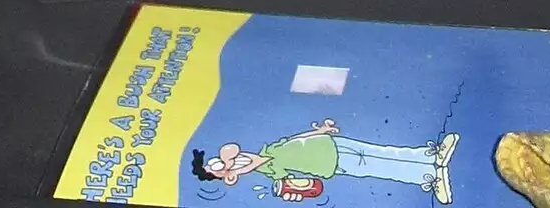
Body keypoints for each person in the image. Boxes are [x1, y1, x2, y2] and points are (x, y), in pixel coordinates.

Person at [193, 123, 460, 203]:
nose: (240, 160)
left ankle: (429, 157)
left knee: (379, 151)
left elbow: (296, 138)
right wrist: (293, 193)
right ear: (231, 177)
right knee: (378, 168)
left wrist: (320, 130)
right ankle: (427, 178)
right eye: (233, 166)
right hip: (330, 165)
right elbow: (299, 186)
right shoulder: (271, 172)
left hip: (331, 144)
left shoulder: (269, 148)